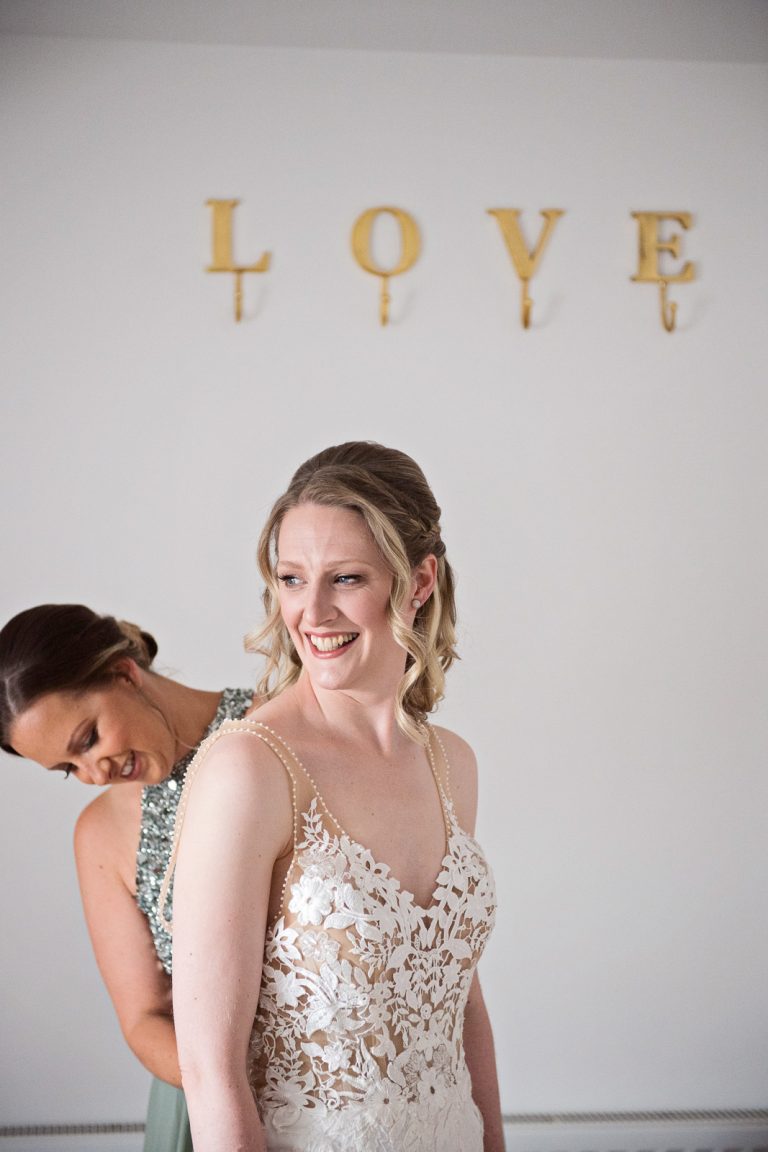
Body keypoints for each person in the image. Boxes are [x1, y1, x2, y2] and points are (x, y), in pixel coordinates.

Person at [162, 441, 503, 1152]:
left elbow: (456, 999)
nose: (310, 612)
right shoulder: (250, 769)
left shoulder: (452, 766)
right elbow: (209, 1068)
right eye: (290, 578)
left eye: (344, 578)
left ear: (418, 580)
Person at [0, 604, 254, 1152]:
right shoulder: (100, 834)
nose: (93, 775)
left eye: (88, 739)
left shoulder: (285, 728)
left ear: (123, 671)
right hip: (208, 1107)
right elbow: (144, 1017)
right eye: (68, 770)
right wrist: (235, 1087)